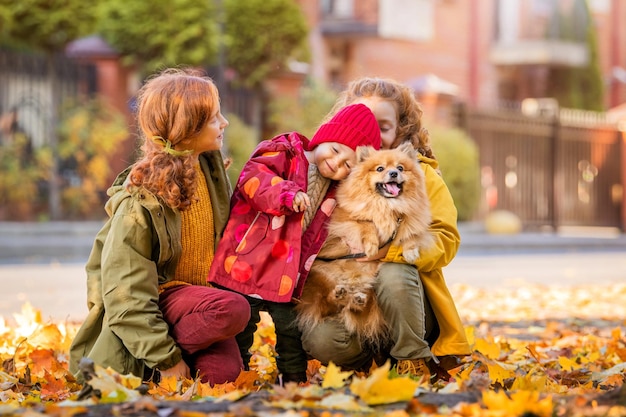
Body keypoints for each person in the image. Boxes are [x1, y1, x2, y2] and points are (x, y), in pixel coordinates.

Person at [69, 68, 251, 385]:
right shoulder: (140, 201)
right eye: (214, 118)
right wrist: (166, 360)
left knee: (221, 378)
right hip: (162, 302)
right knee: (233, 309)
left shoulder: (212, 174)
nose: (224, 123)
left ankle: (165, 359)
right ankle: (150, 359)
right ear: (187, 129)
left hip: (201, 306)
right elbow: (126, 294)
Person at [300, 77, 471, 382]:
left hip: (409, 308)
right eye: (360, 121)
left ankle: (410, 356)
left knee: (393, 272)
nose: (370, 134)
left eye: (383, 126)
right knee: (322, 341)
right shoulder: (333, 169)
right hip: (353, 299)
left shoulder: (420, 175)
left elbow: (446, 239)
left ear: (401, 130)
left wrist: (391, 250)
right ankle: (369, 358)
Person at [208, 103, 382, 384]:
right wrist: (287, 193)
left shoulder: (336, 189)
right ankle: (239, 375)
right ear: (324, 136)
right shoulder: (283, 151)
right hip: (249, 261)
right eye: (336, 151)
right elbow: (253, 179)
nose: (337, 164)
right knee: (242, 326)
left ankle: (293, 379)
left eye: (348, 165)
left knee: (291, 332)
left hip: (287, 273)